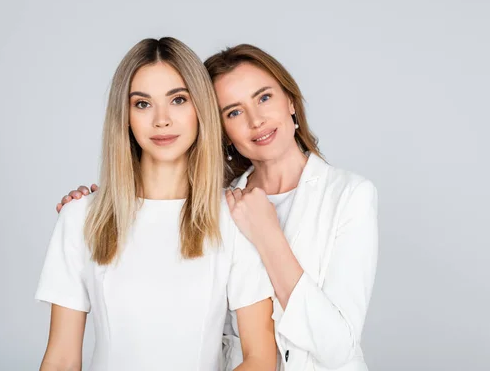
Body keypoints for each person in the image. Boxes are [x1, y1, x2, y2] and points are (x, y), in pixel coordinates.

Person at [59, 44, 379, 371]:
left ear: (291, 102)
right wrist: (100, 208)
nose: (256, 120)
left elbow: (339, 349)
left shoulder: (350, 196)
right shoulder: (220, 206)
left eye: (264, 97)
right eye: (234, 112)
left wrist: (268, 237)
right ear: (220, 128)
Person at [36, 38, 277, 371]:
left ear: (200, 109)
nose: (162, 120)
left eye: (178, 100)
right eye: (143, 104)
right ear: (126, 116)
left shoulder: (235, 218)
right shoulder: (80, 217)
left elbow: (261, 358)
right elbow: (61, 359)